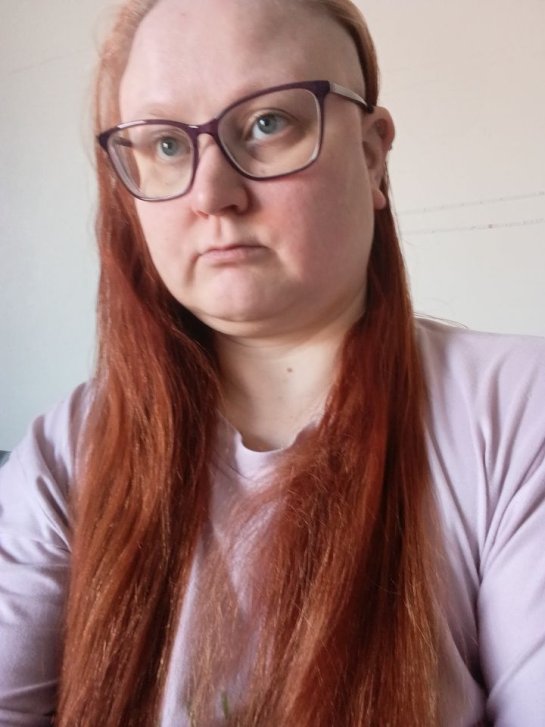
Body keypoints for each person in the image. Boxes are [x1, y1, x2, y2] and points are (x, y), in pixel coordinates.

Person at [1, 0, 544, 724]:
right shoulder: (65, 450)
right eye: (166, 144)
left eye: (267, 123)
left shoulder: (518, 412)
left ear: (372, 155)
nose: (211, 194)